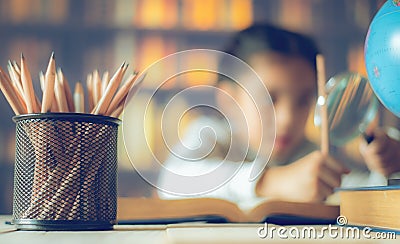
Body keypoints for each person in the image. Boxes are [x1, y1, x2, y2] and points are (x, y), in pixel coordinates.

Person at [158, 23, 400, 209]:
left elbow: (361, 196)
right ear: (229, 100)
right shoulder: (209, 136)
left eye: (303, 100)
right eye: (269, 98)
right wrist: (271, 182)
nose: (287, 118)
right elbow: (171, 182)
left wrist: (388, 167)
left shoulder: (308, 155)